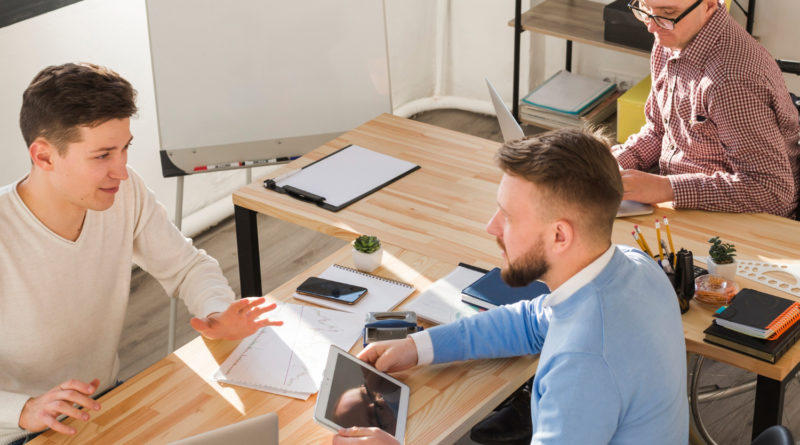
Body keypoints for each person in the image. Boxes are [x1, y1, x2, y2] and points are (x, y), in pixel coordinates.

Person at [333, 129, 688, 444]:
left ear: (559, 235)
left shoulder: (582, 364)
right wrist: (419, 346)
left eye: (509, 217)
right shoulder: (635, 266)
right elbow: (534, 321)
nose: (492, 227)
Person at [0, 63, 282, 445]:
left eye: (124, 149)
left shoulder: (123, 192)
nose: (122, 170)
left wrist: (215, 311)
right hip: (21, 432)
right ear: (45, 156)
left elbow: (186, 267)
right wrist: (23, 408)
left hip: (104, 406)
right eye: (102, 156)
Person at [614, 0, 800, 217]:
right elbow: (659, 131)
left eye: (668, 13)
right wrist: (612, 165)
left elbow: (771, 192)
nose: (651, 27)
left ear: (709, 5)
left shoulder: (730, 79)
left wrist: (666, 188)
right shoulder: (670, 37)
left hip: (744, 218)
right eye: (645, 9)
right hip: (679, 199)